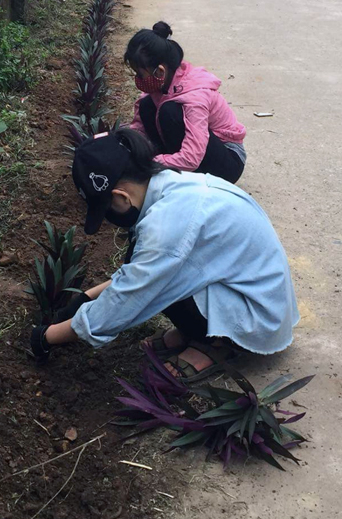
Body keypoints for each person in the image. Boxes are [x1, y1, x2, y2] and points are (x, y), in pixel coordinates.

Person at [30, 129, 299, 381]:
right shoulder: (171, 184)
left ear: (121, 196)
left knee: (156, 284)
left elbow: (129, 297)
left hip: (257, 317)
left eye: (106, 209)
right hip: (249, 289)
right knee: (155, 271)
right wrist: (87, 297)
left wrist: (46, 337)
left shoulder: (167, 224)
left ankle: (217, 345)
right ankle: (194, 333)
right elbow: (140, 271)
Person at [126, 21, 246, 184]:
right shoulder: (160, 83)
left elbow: (191, 158)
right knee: (148, 105)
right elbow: (140, 127)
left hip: (227, 160)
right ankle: (173, 167)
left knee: (170, 111)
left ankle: (186, 180)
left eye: (140, 74)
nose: (138, 80)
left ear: (160, 70)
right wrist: (128, 145)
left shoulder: (194, 97)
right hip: (199, 148)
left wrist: (150, 163)